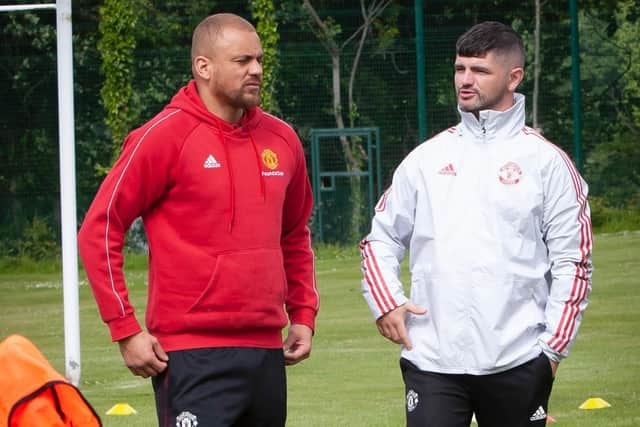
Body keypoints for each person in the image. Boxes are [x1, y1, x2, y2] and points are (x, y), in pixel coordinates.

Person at [78, 13, 318, 427]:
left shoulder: (283, 140)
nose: (257, 70)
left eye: (259, 60)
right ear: (203, 67)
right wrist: (125, 329)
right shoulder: (162, 136)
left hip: (266, 353)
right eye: (242, 61)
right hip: (190, 354)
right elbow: (100, 228)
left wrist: (303, 314)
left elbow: (294, 235)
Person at [360, 21, 592, 427]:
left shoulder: (548, 163)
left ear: (513, 77)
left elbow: (575, 262)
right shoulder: (426, 159)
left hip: (518, 358)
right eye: (459, 69)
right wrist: (387, 301)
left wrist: (552, 352)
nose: (465, 81)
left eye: (480, 71)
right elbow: (380, 239)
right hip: (433, 359)